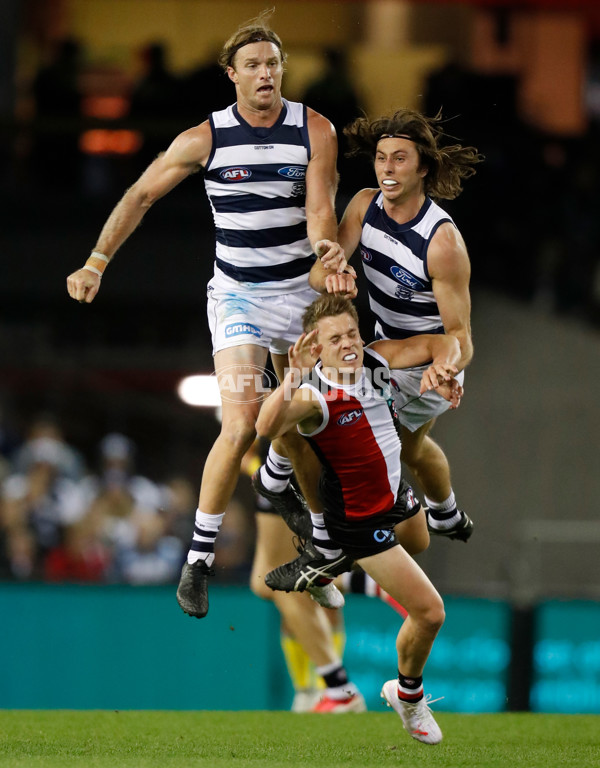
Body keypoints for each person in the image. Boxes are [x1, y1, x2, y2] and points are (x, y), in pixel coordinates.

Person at [65, 10, 363, 713]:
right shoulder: (204, 137)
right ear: (232, 75)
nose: (265, 75)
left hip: (299, 294)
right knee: (237, 426)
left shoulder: (314, 128)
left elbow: (320, 209)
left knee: (305, 427)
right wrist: (95, 261)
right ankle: (196, 562)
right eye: (253, 65)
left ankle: (315, 537)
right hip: (237, 297)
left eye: (274, 64)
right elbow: (139, 193)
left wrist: (326, 253)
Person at [256, 294, 462, 744]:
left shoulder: (374, 360)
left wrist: (443, 369)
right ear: (317, 348)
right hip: (362, 522)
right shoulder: (314, 395)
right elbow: (266, 426)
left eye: (351, 333)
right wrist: (291, 374)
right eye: (335, 339)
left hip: (396, 497)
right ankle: (407, 697)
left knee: (422, 542)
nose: (348, 344)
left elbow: (444, 342)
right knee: (429, 612)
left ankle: (327, 566)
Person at [312, 108, 482, 542]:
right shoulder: (364, 204)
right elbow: (320, 272)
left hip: (430, 358)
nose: (387, 169)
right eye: (382, 157)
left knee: (363, 437)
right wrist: (334, 275)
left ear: (423, 167)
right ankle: (444, 515)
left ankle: (344, 537)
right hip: (386, 347)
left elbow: (460, 337)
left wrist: (443, 368)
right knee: (410, 448)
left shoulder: (441, 243)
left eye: (400, 159)